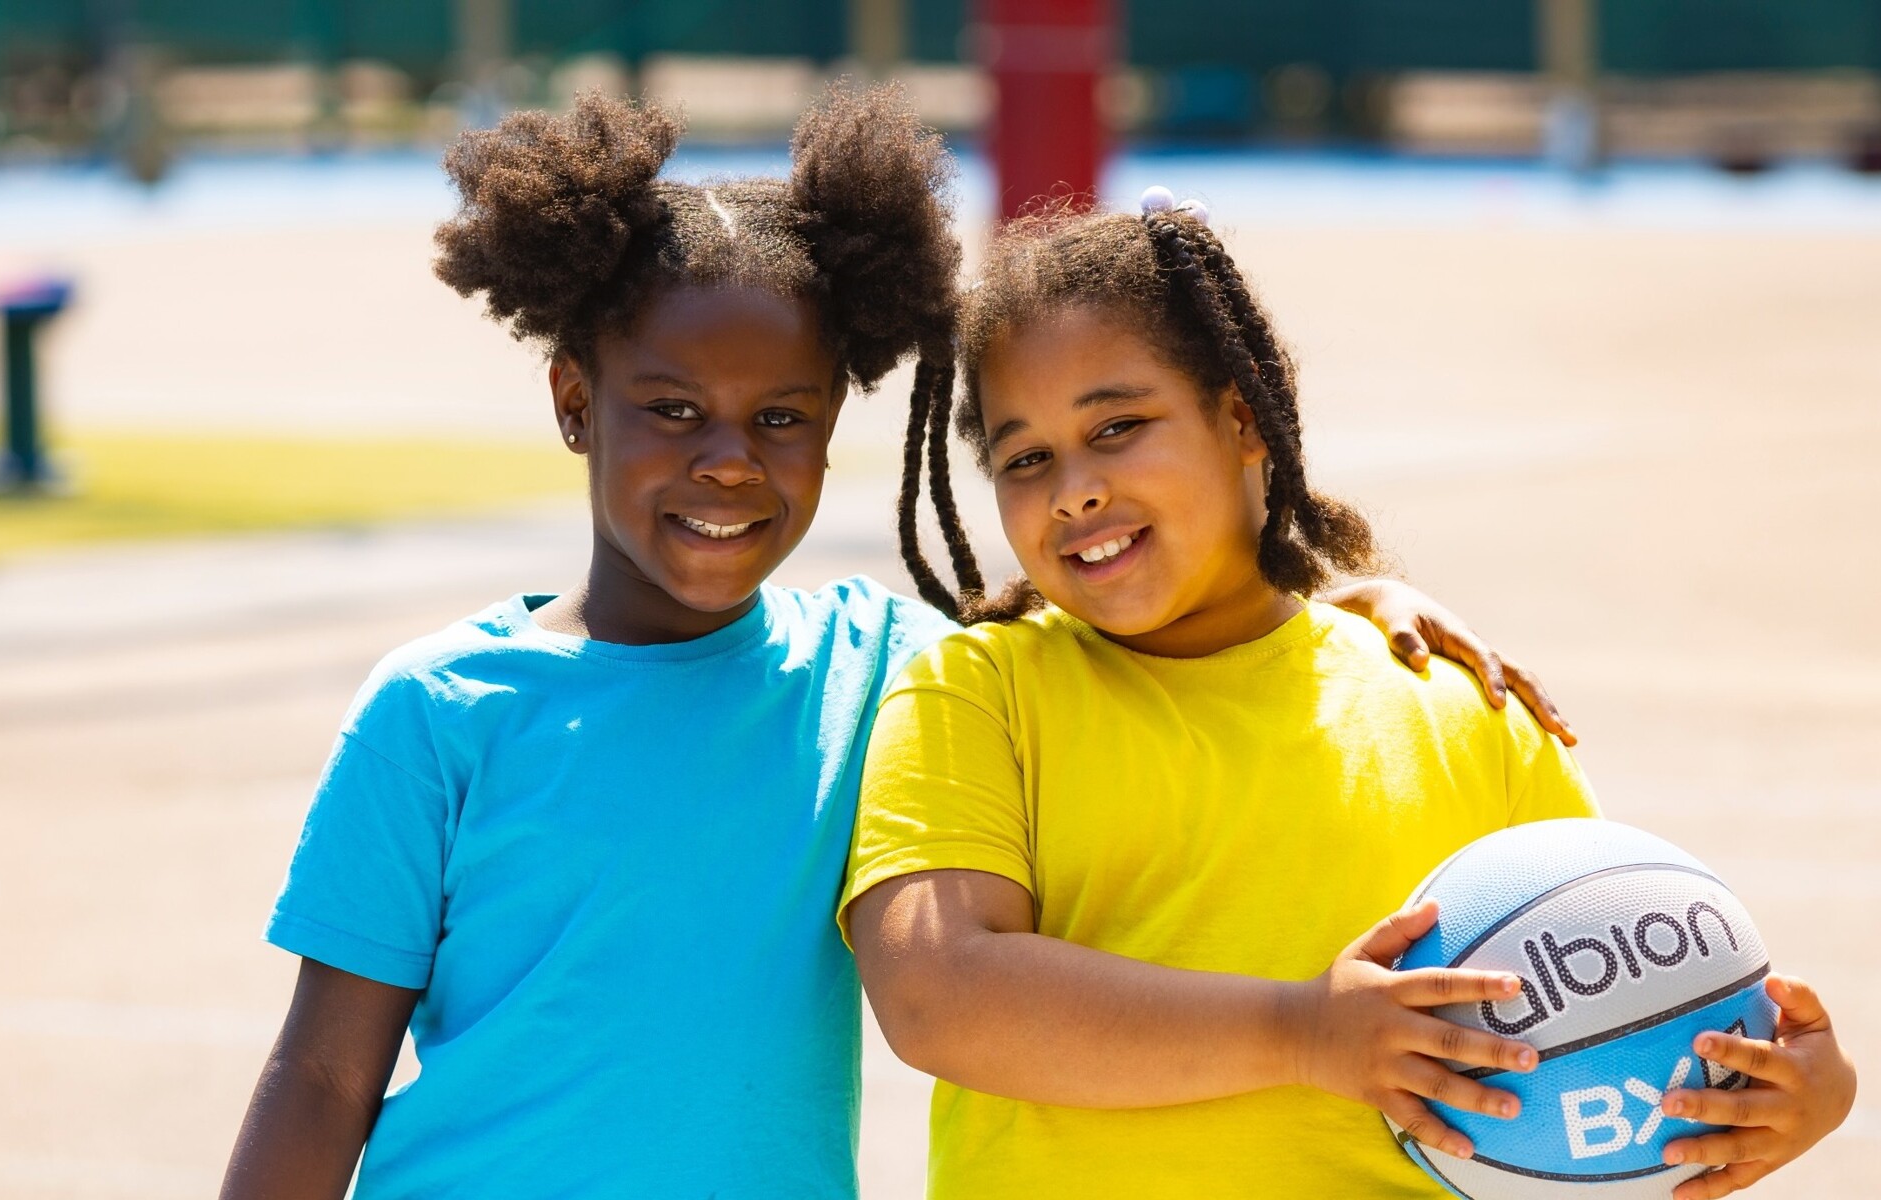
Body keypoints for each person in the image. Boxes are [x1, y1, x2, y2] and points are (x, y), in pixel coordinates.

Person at [218, 95, 1552, 1200]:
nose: (727, 462)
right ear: (576, 399)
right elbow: (323, 1075)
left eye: (781, 419)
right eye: (672, 410)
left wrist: (1353, 599)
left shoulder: (883, 669)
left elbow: (1136, 607)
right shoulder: (439, 709)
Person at [841, 192, 1856, 1200]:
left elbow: (1621, 1018)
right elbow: (936, 997)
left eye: (1117, 427)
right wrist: (1299, 1033)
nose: (1072, 489)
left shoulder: (1454, 703)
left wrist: (1779, 1093)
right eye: (1025, 459)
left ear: (1242, 419)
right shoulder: (975, 695)